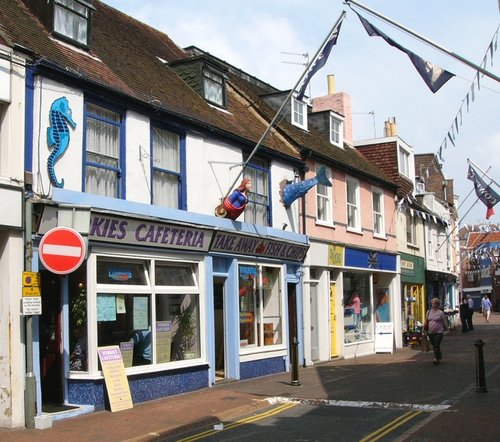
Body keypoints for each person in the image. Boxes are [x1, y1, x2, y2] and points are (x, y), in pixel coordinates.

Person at [424, 298, 448, 365]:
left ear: (437, 305)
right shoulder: (428, 312)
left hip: (439, 331)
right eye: (432, 303)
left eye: (434, 304)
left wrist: (447, 328)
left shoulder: (440, 313)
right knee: (434, 344)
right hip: (431, 331)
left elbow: (444, 321)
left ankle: (436, 358)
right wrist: (424, 328)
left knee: (436, 344)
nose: (433, 305)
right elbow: (426, 321)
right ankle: (439, 356)